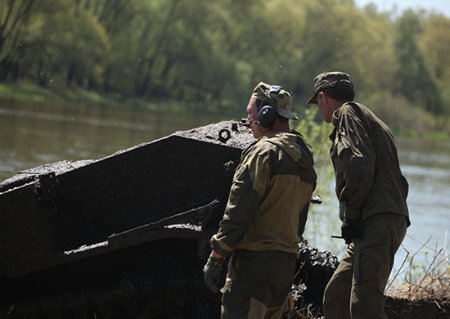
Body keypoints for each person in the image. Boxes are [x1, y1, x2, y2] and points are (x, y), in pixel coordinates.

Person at [203, 82, 317, 319]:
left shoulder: (263, 154)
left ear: (266, 115)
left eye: (250, 113)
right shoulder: (304, 159)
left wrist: (217, 256)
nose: (246, 120)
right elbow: (299, 223)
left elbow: (239, 212)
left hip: (254, 264)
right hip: (284, 265)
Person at [306, 71, 410, 319]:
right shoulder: (372, 120)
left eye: (318, 103)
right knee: (337, 297)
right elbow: (400, 182)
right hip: (377, 221)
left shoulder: (347, 115)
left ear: (323, 97)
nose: (320, 110)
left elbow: (359, 165)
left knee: (365, 305)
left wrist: (350, 216)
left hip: (375, 222)